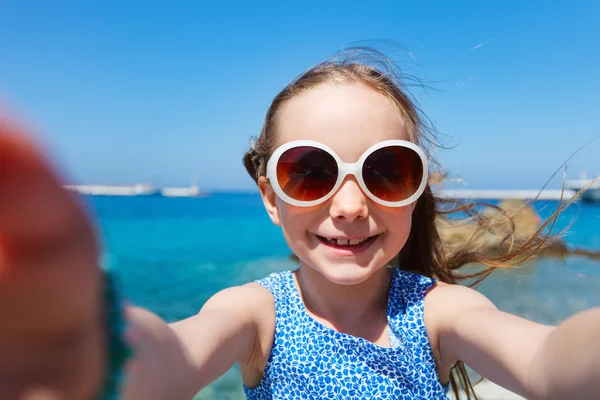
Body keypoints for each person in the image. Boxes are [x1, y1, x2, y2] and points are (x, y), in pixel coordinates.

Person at [1, 48, 599, 400]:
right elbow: (175, 355)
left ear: (415, 193)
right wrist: (84, 344)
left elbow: (549, 361)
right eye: (310, 172)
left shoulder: (437, 313)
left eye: (386, 171)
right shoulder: (256, 314)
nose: (348, 205)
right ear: (270, 197)